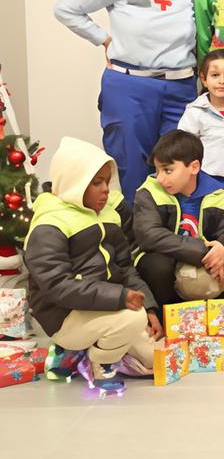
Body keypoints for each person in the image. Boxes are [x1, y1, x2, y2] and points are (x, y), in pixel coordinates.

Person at [53, 0, 204, 202]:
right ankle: (139, 239)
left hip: (180, 87)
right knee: (133, 165)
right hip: (129, 86)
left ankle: (174, 235)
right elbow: (66, 8)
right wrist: (102, 38)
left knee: (179, 166)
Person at [25, 138, 161, 393]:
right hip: (64, 315)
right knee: (133, 319)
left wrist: (150, 307)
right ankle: (99, 363)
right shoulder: (49, 225)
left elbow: (125, 266)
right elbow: (58, 287)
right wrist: (122, 299)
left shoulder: (108, 214)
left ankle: (78, 350)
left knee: (154, 357)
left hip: (104, 305)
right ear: (74, 183)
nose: (105, 190)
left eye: (107, 182)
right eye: (96, 183)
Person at [132, 130, 224, 308]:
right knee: (156, 265)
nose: (160, 178)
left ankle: (215, 319)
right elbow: (149, 235)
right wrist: (202, 252)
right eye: (157, 170)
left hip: (199, 261)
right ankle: (166, 319)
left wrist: (223, 249)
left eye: (167, 170)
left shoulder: (216, 194)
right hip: (165, 256)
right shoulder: (149, 191)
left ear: (194, 167)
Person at [177, 48, 224, 200]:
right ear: (204, 79)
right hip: (208, 189)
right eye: (215, 75)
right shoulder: (195, 111)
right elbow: (182, 149)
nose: (221, 81)